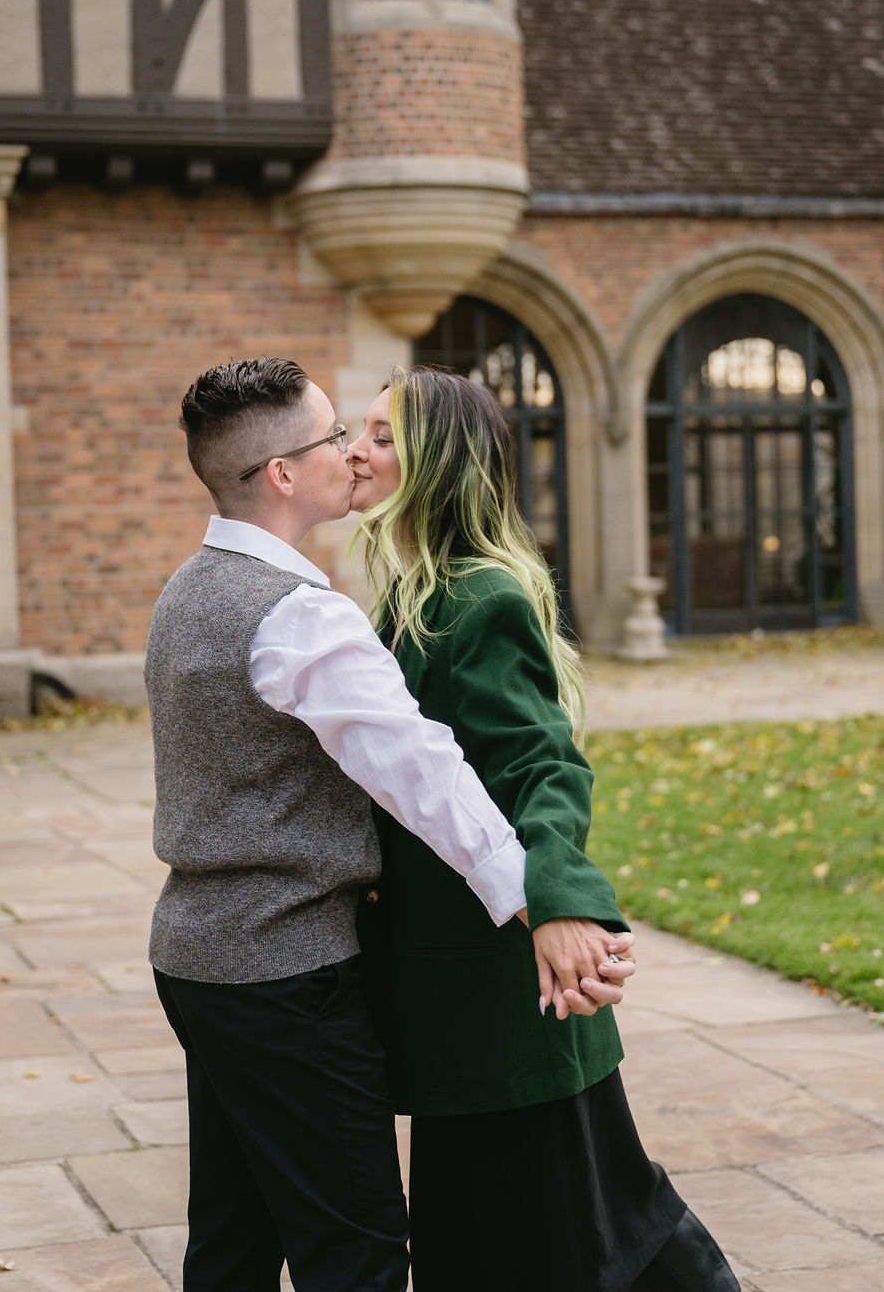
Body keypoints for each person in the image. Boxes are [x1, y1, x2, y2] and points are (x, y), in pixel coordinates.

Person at [145, 357, 632, 1292]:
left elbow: (514, 760)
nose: (353, 452)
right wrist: (537, 905)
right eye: (337, 434)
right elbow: (423, 773)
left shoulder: (189, 590)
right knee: (356, 1253)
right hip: (288, 968)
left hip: (196, 959)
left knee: (234, 1239)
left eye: (371, 433)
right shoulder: (301, 618)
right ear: (284, 473)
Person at [349, 367, 741, 1292]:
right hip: (467, 993)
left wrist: (562, 903)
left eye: (380, 435)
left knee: (574, 1235)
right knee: (563, 1222)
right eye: (357, 431)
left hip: (503, 989)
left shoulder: (476, 600)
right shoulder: (415, 596)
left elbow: (543, 765)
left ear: (434, 466)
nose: (355, 452)